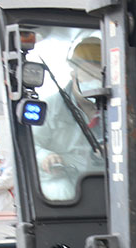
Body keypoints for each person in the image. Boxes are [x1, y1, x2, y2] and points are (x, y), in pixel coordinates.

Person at [34, 33, 105, 201]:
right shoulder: (50, 108)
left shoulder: (118, 110)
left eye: (100, 75)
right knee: (60, 190)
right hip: (65, 183)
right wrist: (46, 156)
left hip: (107, 182)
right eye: (90, 74)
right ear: (74, 74)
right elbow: (32, 145)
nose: (96, 80)